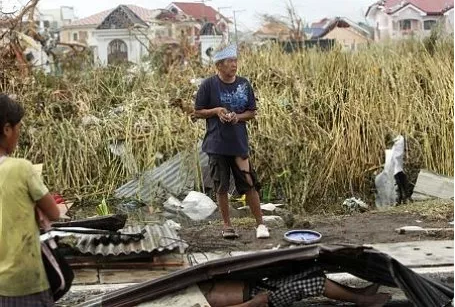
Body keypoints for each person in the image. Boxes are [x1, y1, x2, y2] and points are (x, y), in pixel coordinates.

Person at [194, 44, 269, 239]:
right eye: (229, 62)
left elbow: (252, 112)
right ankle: (227, 226)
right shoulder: (208, 85)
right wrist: (216, 111)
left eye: (235, 61)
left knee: (249, 182)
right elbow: (198, 111)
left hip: (238, 144)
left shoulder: (244, 84)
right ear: (219, 65)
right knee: (221, 186)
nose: (234, 65)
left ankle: (260, 224)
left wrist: (238, 117)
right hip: (217, 144)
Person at [0, 94, 60, 306]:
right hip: (26, 283)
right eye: (18, 128)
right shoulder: (21, 169)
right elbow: (54, 213)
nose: (18, 134)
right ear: (7, 129)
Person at [198, 266, 392, 307]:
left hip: (257, 286)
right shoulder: (187, 303)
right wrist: (255, 302)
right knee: (312, 282)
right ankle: (362, 300)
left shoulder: (184, 287)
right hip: (259, 299)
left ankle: (358, 292)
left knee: (311, 271)